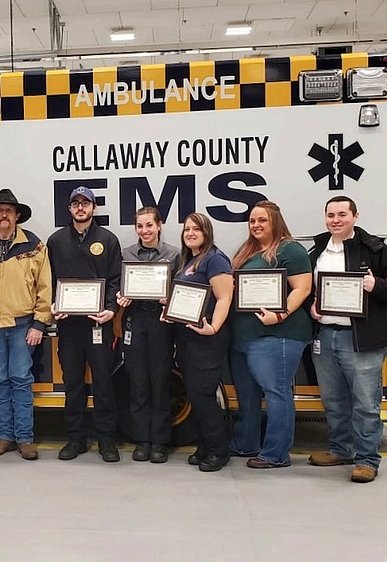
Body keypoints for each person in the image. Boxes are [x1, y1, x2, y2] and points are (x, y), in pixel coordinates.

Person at [307, 196, 387, 483]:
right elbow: (305, 291)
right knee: (333, 400)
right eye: (330, 215)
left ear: (355, 216)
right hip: (326, 336)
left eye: (342, 214)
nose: (335, 220)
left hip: (362, 339)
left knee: (365, 402)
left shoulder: (375, 250)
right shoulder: (317, 252)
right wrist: (311, 308)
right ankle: (341, 450)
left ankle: (366, 460)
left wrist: (376, 284)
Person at [0, 189, 52, 461]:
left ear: (17, 216)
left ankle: (24, 438)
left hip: (22, 325)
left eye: (9, 210)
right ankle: (4, 437)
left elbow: (45, 287)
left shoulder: (35, 247)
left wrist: (39, 324)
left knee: (21, 380)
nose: (4, 214)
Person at [229, 200, 312, 469]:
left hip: (278, 334)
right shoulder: (248, 251)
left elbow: (302, 288)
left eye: (261, 220)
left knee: (276, 393)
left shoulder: (290, 249)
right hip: (245, 336)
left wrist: (280, 314)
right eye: (252, 221)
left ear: (275, 220)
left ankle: (276, 454)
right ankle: (246, 444)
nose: (255, 225)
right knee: (248, 395)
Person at [47, 186, 122, 463]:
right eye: (75, 203)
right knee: (73, 383)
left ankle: (106, 440)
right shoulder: (56, 241)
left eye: (85, 203)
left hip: (98, 324)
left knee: (103, 382)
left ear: (94, 207)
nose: (80, 208)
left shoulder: (108, 240)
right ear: (69, 208)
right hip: (68, 326)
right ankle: (76, 438)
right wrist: (53, 306)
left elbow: (116, 280)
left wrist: (111, 309)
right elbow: (49, 281)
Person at [116, 206, 180, 464]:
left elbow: (183, 290)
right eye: (140, 226)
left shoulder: (173, 254)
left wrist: (170, 299)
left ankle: (160, 442)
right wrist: (120, 297)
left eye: (149, 225)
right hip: (135, 320)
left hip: (161, 322)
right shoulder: (126, 254)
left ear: (159, 225)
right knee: (138, 383)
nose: (145, 231)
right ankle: (142, 441)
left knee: (161, 383)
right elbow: (117, 286)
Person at [171, 213, 233, 472]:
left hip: (207, 339)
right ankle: (204, 446)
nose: (190, 233)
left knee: (205, 395)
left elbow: (224, 298)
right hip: (188, 339)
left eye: (196, 229)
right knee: (196, 396)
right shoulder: (190, 261)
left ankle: (219, 451)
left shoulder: (215, 259)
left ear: (207, 232)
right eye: (187, 229)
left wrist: (214, 327)